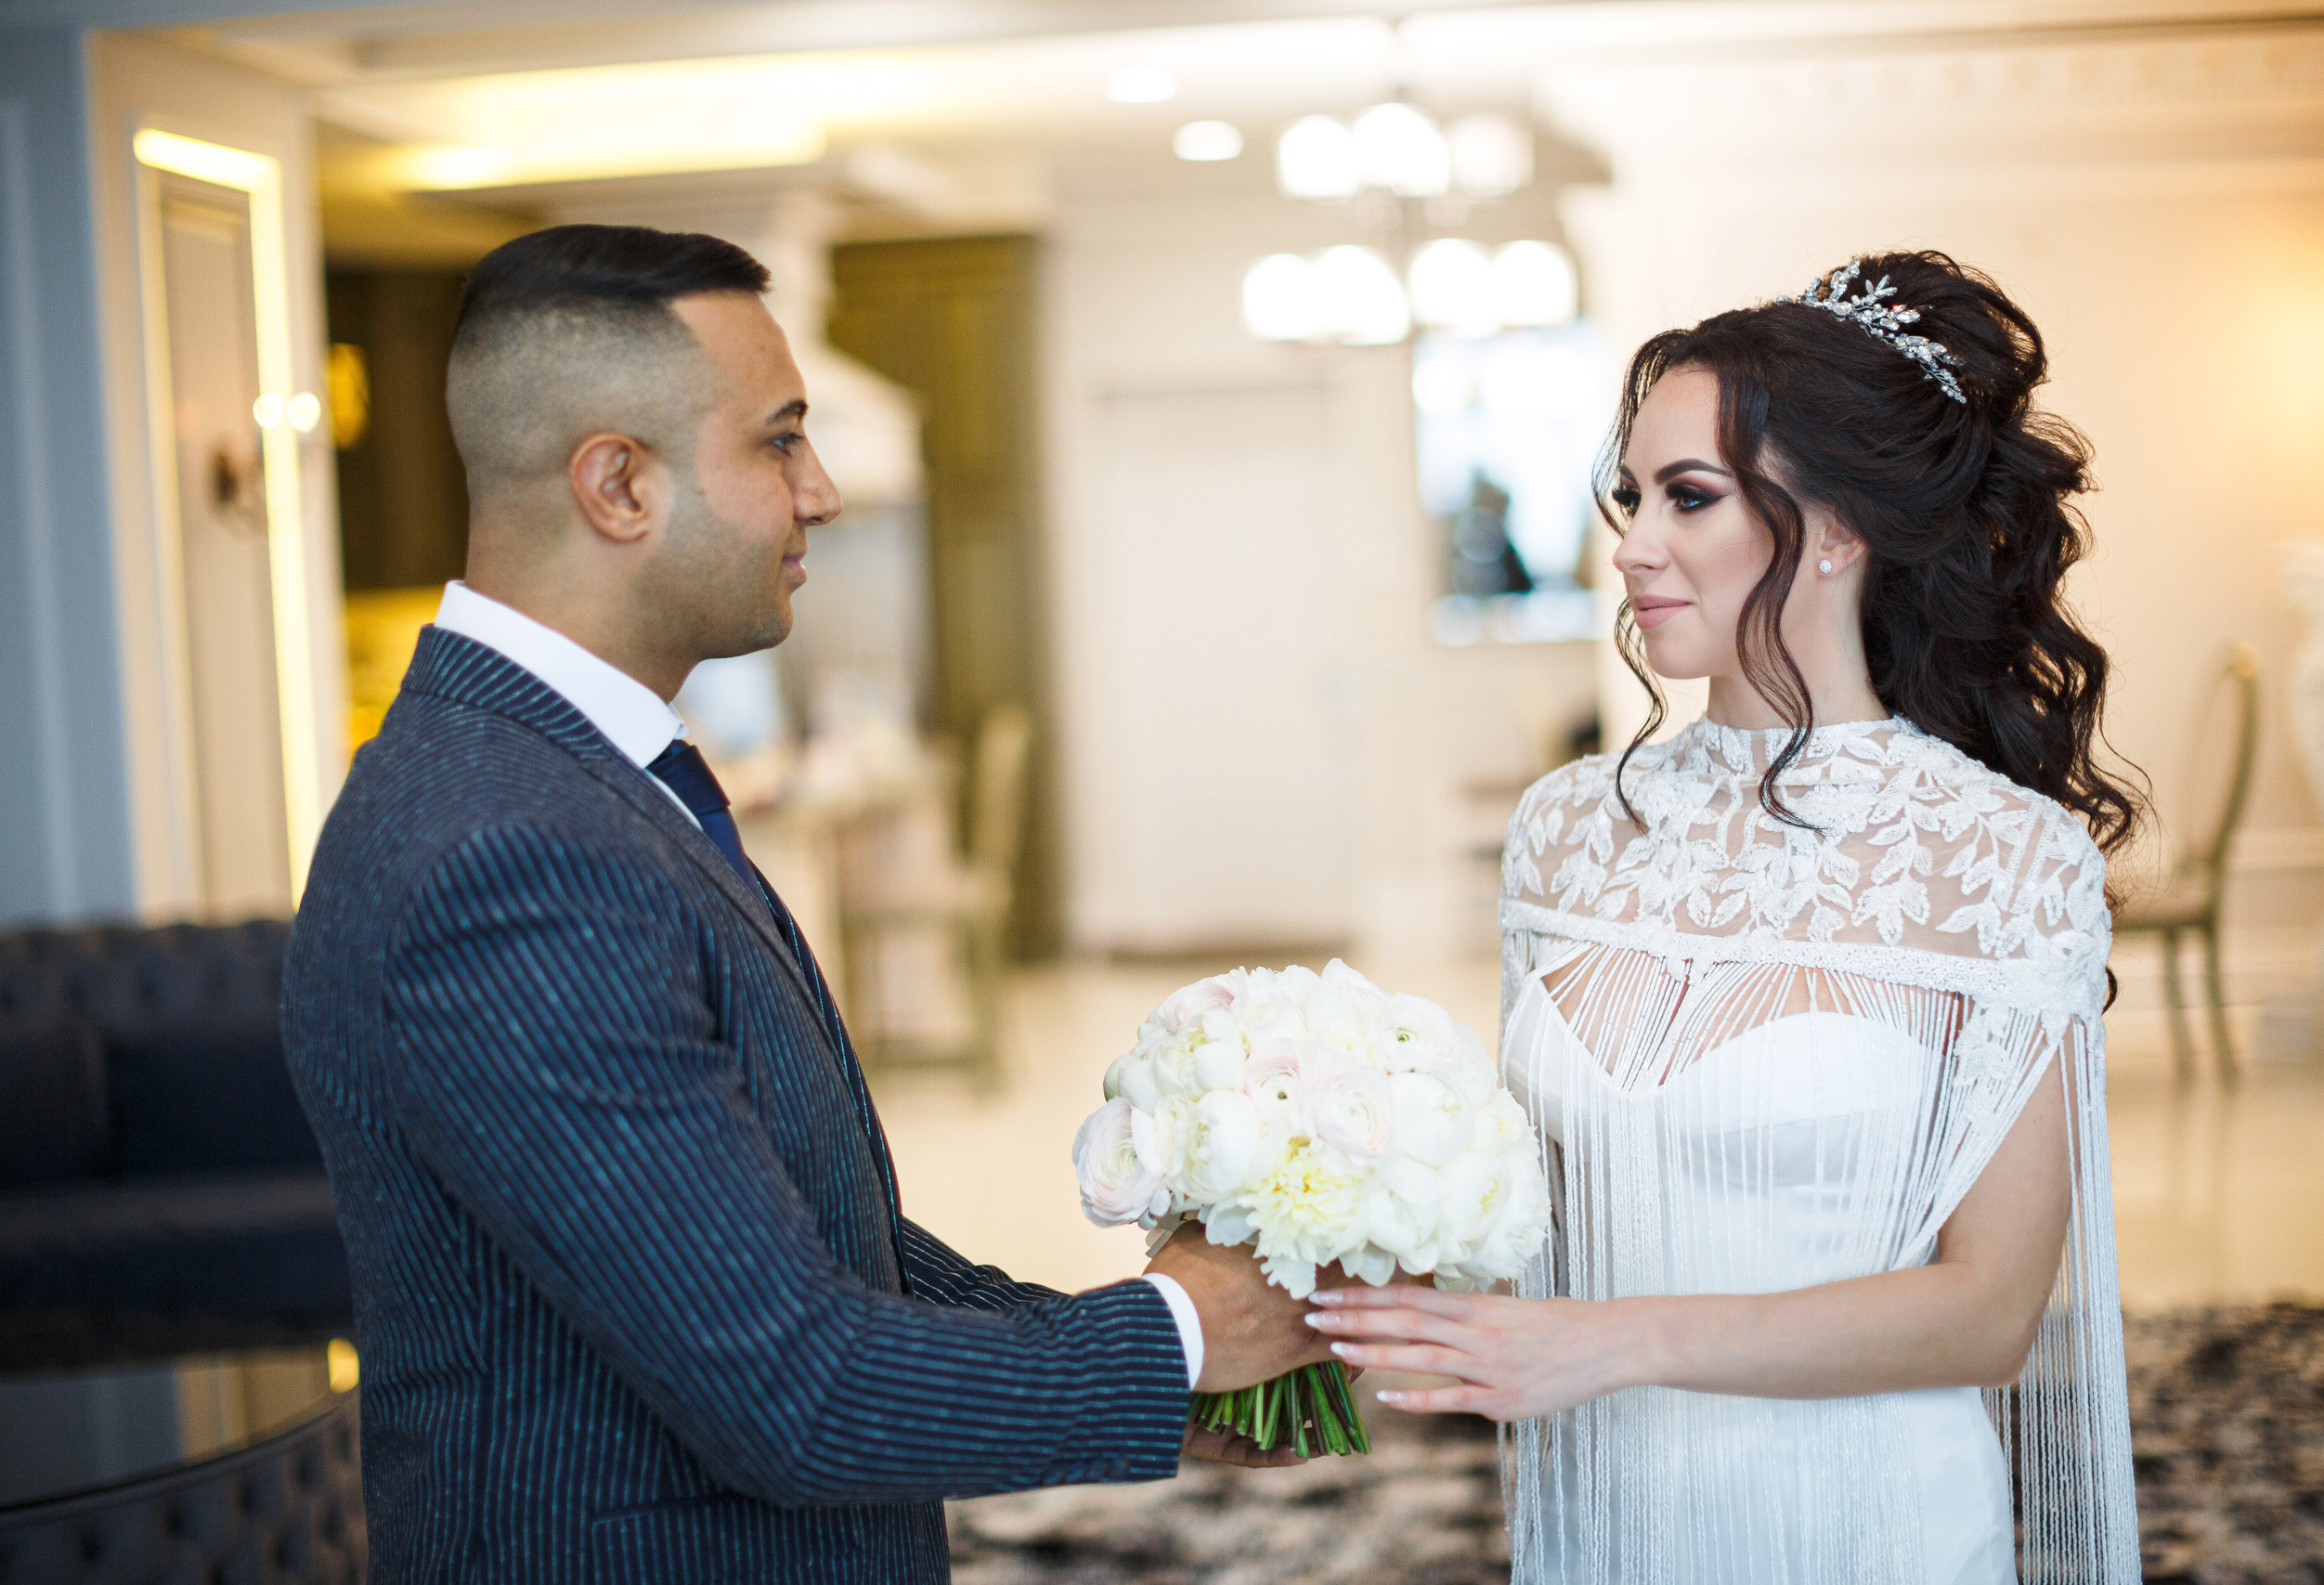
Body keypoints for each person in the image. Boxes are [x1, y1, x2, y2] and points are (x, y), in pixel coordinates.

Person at [281, 223, 1330, 1585]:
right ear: (619, 484)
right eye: (779, 440)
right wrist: (1182, 1331)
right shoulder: (505, 852)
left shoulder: (559, 775)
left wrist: (1139, 1364)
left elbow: (813, 1235)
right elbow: (791, 1387)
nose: (821, 491)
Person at [1309, 253, 2145, 1583]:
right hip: (1611, 1520)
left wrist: (1619, 1340)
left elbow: (1988, 1314)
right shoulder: (1569, 830)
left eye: (1689, 498)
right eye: (1631, 497)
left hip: (1873, 1531)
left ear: (1840, 530)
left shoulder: (2005, 861)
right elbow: (1545, 1216)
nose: (1633, 543)